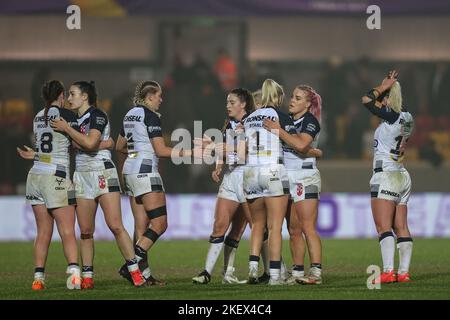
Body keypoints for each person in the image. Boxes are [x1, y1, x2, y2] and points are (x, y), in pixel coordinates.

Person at [50, 81, 145, 288]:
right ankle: (88, 277)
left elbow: (90, 143)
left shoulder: (97, 115)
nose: (69, 98)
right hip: (82, 175)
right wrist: (104, 142)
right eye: (68, 94)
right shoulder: (75, 119)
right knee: (85, 231)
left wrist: (74, 134)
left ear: (85, 97)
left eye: (73, 94)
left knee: (115, 225)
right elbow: (79, 143)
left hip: (102, 171)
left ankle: (135, 272)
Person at [115, 81, 201, 285]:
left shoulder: (130, 114)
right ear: (150, 96)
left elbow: (119, 145)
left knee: (141, 226)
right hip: (145, 172)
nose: (161, 100)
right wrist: (190, 152)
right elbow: (161, 151)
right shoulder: (150, 116)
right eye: (159, 96)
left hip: (129, 171)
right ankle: (131, 264)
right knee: (160, 224)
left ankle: (144, 276)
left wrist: (137, 153)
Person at [17, 80, 81, 290]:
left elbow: (46, 149)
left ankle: (38, 279)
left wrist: (34, 154)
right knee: (67, 230)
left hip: (35, 175)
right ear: (61, 95)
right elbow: (79, 143)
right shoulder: (66, 115)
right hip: (57, 175)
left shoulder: (37, 116)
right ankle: (74, 275)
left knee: (43, 232)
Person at [192, 88, 254, 284]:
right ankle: (207, 272)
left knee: (245, 228)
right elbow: (224, 150)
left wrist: (215, 149)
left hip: (247, 178)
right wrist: (218, 166)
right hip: (230, 177)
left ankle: (272, 270)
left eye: (232, 102)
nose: (228, 106)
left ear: (243, 104)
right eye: (227, 102)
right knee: (219, 225)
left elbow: (244, 156)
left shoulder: (251, 124)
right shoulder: (228, 124)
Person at [263, 85, 324, 284]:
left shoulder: (310, 121)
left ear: (307, 104)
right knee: (293, 230)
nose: (292, 100)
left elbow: (300, 145)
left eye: (298, 98)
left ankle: (316, 273)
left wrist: (278, 131)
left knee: (308, 227)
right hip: (286, 176)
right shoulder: (287, 119)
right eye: (292, 96)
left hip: (305, 176)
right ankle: (297, 273)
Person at [361, 70, 414, 283]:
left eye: (383, 99)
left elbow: (366, 99)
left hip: (386, 175)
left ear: (388, 99)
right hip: (402, 176)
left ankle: (389, 271)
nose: (379, 104)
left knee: (383, 227)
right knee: (401, 225)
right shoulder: (408, 118)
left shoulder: (392, 117)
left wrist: (382, 86)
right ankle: (403, 272)